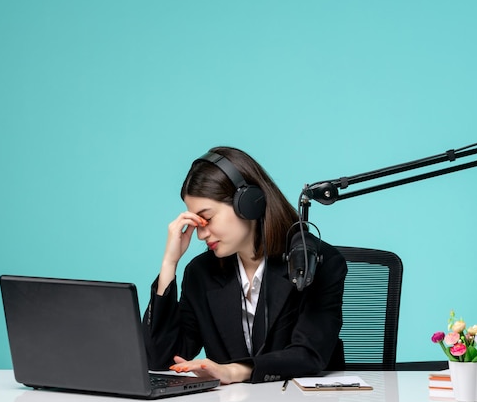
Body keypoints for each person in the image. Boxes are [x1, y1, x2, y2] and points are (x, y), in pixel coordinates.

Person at [142, 146, 347, 384]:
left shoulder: (315, 262)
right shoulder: (201, 273)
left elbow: (309, 355)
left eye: (206, 218)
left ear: (248, 203)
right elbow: (161, 359)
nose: (200, 235)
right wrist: (169, 264)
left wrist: (234, 371)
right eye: (196, 222)